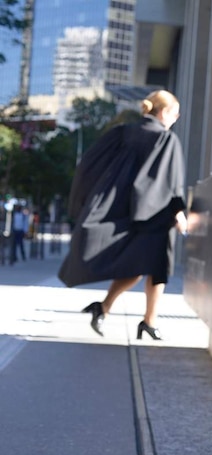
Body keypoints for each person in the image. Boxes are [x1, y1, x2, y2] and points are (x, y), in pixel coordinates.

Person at [58, 90, 188, 340]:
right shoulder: (166, 139)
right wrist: (179, 211)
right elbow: (172, 182)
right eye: (174, 112)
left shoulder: (123, 132)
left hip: (122, 212)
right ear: (162, 113)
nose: (177, 117)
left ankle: (115, 310)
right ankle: (144, 321)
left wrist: (88, 201)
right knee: (155, 267)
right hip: (155, 215)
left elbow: (91, 163)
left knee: (138, 268)